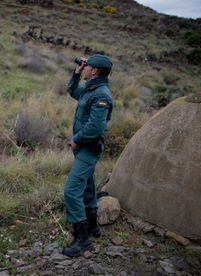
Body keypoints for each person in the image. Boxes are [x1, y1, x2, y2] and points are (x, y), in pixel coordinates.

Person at [62, 54, 114, 257]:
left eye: (86, 66)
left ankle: (82, 240)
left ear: (94, 71)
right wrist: (75, 74)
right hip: (84, 148)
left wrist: (77, 139)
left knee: (72, 190)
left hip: (88, 148)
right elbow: (72, 90)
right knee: (88, 184)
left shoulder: (101, 94)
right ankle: (93, 226)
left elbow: (95, 127)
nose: (83, 68)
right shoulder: (90, 88)